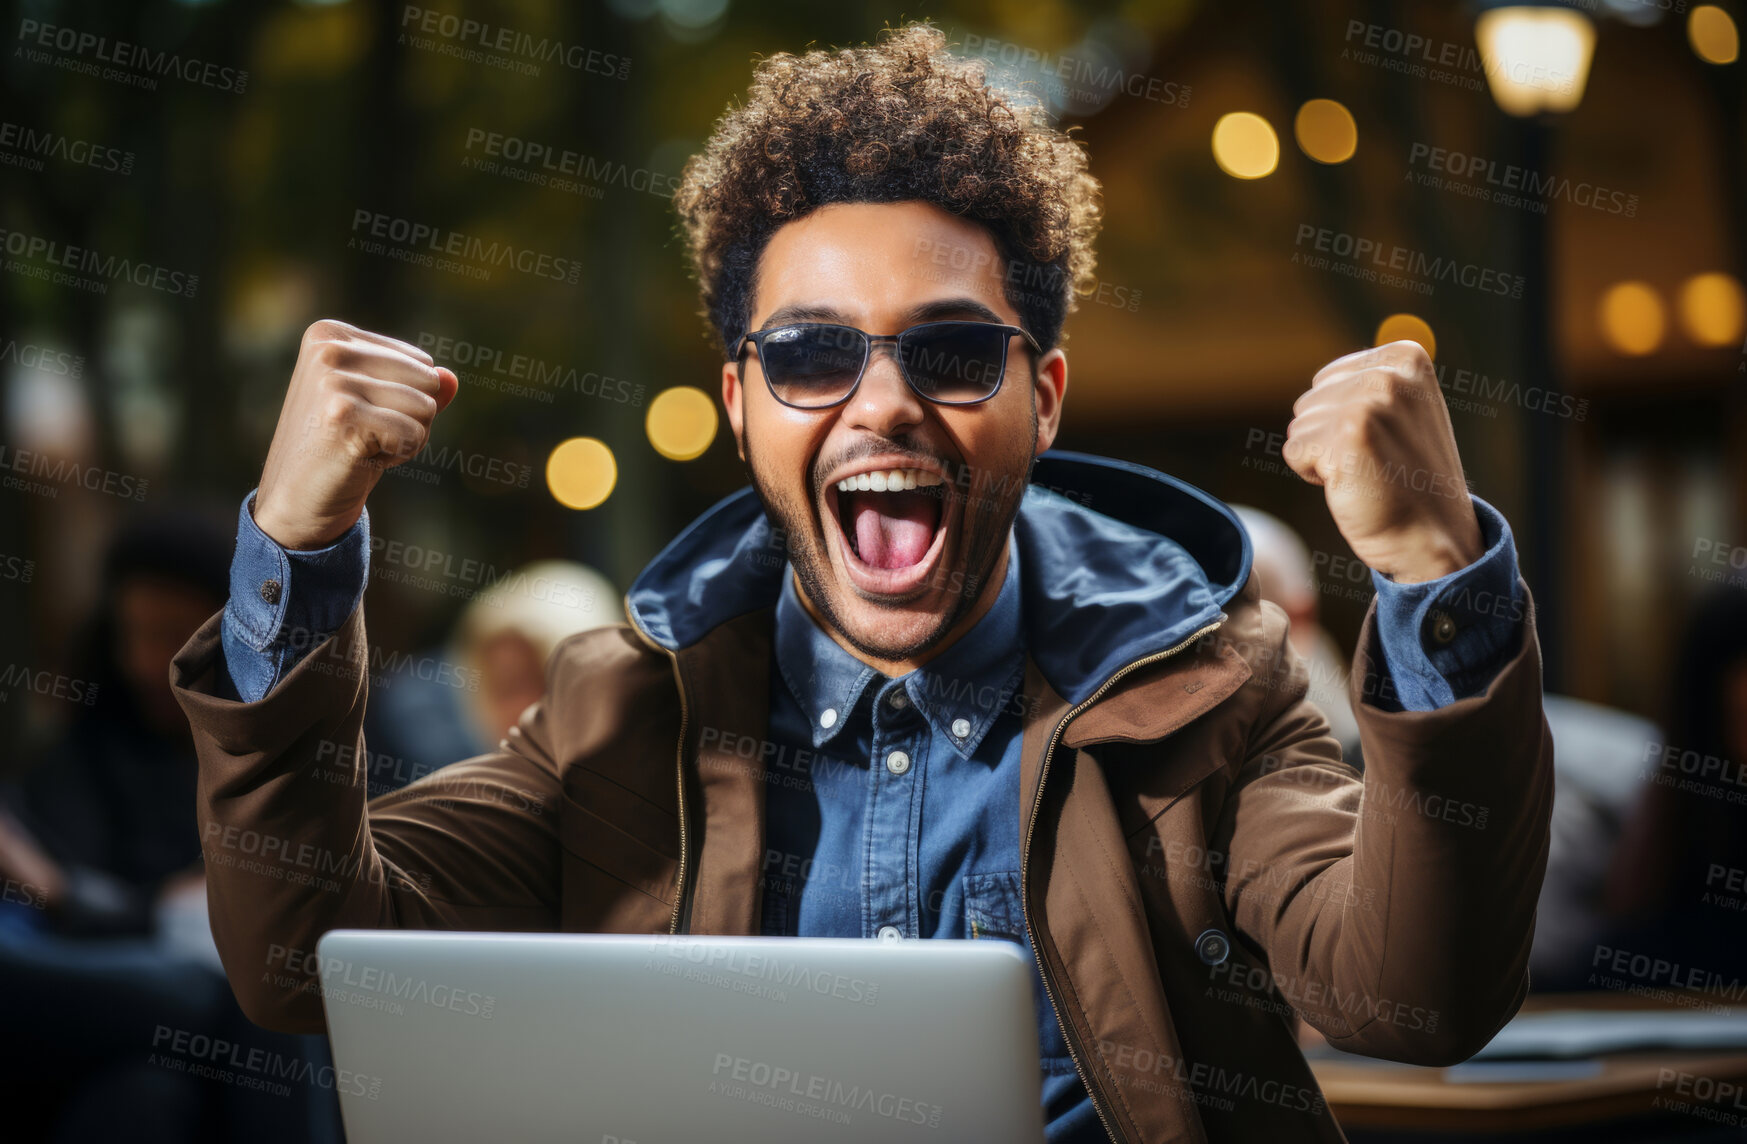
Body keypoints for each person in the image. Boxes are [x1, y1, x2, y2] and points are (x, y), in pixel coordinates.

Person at [171, 25, 1553, 1142]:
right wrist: (292, 551)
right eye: (811, 356)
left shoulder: (1210, 696)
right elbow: (299, 960)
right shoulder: (615, 713)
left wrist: (1431, 571)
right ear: (738, 402)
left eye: (950, 354)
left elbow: (1413, 1000)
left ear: (1044, 396)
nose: (881, 406)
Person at [0, 514, 340, 1143]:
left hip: (146, 1034)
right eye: (133, 634)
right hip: (109, 978)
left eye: (169, 635)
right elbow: (66, 919)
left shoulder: (280, 755)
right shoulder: (82, 759)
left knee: (146, 1097)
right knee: (254, 1000)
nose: (144, 661)